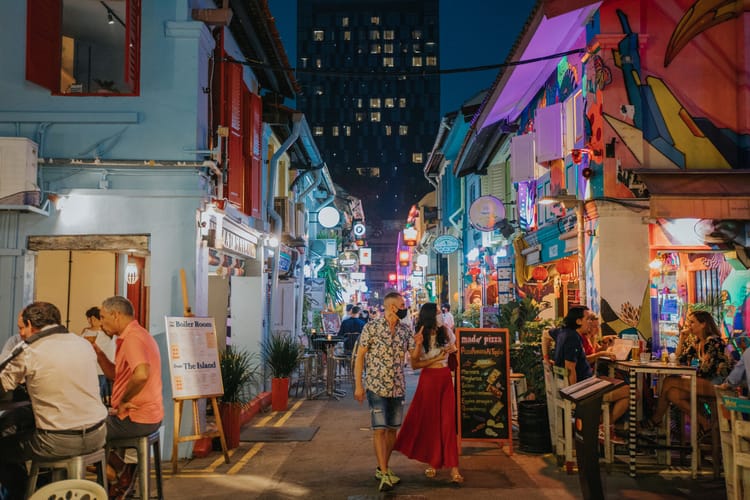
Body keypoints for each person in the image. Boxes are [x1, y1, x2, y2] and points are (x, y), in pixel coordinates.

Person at [0, 302, 107, 499]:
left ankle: (23, 494)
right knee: (19, 416)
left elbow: (2, 384)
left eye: (21, 328)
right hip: (98, 434)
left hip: (58, 441)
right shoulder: (82, 343)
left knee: (4, 446)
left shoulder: (29, 349)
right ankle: (45, 487)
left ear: (31, 325)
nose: (21, 334)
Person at [93, 296, 163, 499]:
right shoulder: (135, 335)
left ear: (116, 315)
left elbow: (141, 374)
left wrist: (123, 400)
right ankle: (122, 475)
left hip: (137, 417)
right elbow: (116, 375)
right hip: (147, 416)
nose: (101, 322)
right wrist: (98, 353)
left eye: (103, 317)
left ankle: (119, 477)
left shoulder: (133, 338)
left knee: (84, 435)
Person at [394, 303, 463, 484]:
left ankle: (454, 468)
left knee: (448, 423)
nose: (442, 315)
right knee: (431, 422)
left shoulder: (446, 332)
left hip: (445, 378)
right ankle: (433, 462)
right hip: (429, 380)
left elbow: (455, 354)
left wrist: (451, 353)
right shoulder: (419, 336)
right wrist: (420, 346)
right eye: (439, 313)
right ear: (430, 316)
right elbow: (414, 363)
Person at [354, 291, 415, 492]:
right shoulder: (371, 327)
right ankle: (385, 471)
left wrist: (420, 342)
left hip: (397, 387)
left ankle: (382, 468)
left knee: (392, 430)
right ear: (392, 307)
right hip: (375, 386)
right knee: (379, 429)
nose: (405, 306)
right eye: (402, 303)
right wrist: (358, 385)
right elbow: (360, 357)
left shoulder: (405, 330)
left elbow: (414, 358)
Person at [641, 310, 733, 436]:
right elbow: (679, 359)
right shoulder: (697, 343)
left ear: (703, 324)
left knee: (669, 381)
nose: (689, 325)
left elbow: (707, 371)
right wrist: (682, 338)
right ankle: (705, 424)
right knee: (672, 394)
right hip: (705, 382)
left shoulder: (714, 342)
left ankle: (656, 420)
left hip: (720, 385)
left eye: (692, 322)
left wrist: (686, 376)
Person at [81, 306, 117, 405]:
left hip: (101, 368)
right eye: (89, 318)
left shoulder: (108, 332)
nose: (90, 321)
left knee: (98, 393)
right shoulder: (86, 331)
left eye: (92, 318)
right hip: (89, 366)